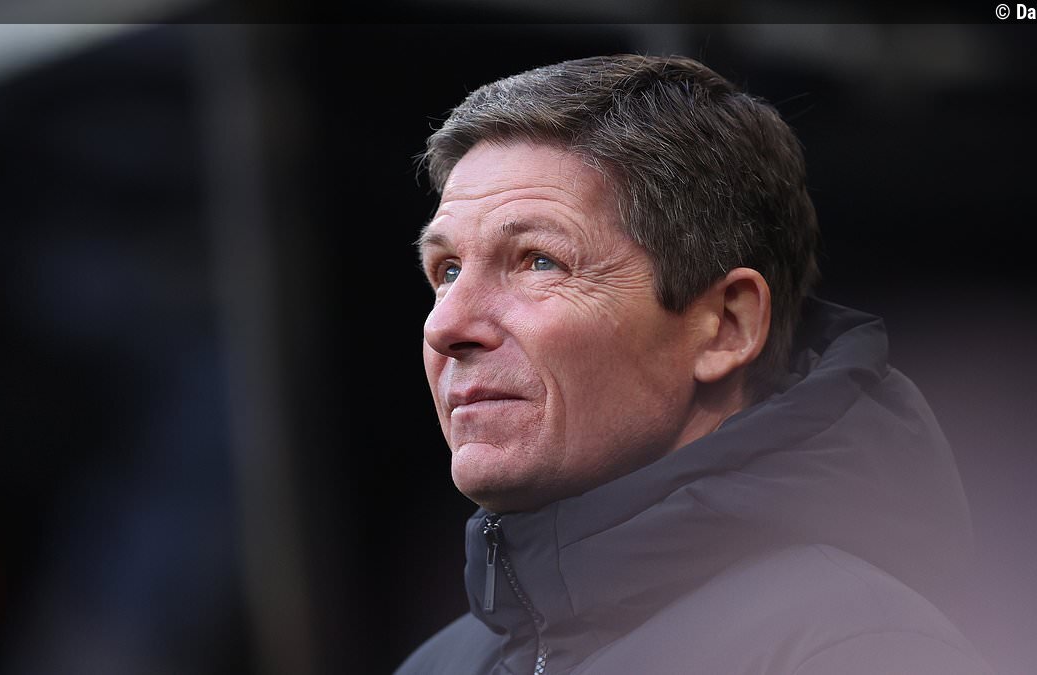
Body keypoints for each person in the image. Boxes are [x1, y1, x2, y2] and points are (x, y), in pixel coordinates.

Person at [398, 54, 992, 675]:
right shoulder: (437, 666)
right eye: (447, 271)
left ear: (727, 327)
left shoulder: (859, 651)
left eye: (539, 261)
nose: (445, 326)